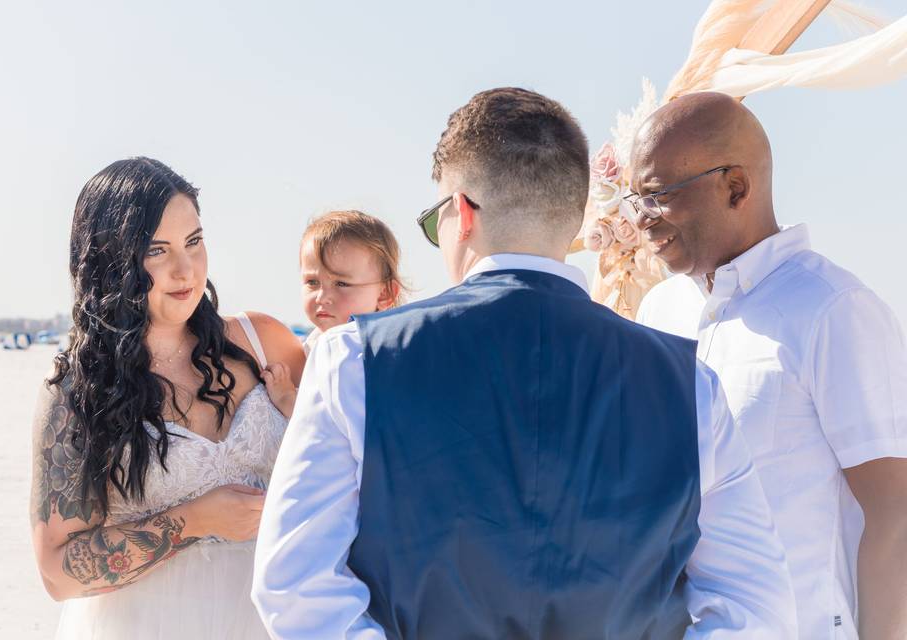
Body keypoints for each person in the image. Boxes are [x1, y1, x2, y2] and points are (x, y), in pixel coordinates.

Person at [251, 87, 797, 639]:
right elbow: (758, 607)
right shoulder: (690, 388)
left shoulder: (356, 361)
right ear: (572, 215)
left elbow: (295, 587)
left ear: (459, 214)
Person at [632, 92, 907, 639]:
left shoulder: (832, 309)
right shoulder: (658, 311)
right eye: (633, 199)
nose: (640, 219)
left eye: (658, 195)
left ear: (735, 186)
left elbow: (895, 516)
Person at [29, 157, 305, 639]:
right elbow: (57, 572)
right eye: (157, 251)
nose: (186, 270)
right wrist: (193, 521)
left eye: (194, 242)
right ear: (110, 261)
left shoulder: (265, 342)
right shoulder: (79, 391)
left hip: (280, 618)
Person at [298, 210, 405, 355]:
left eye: (341, 284)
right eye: (312, 282)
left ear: (384, 294)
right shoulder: (308, 347)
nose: (321, 298)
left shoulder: (385, 353)